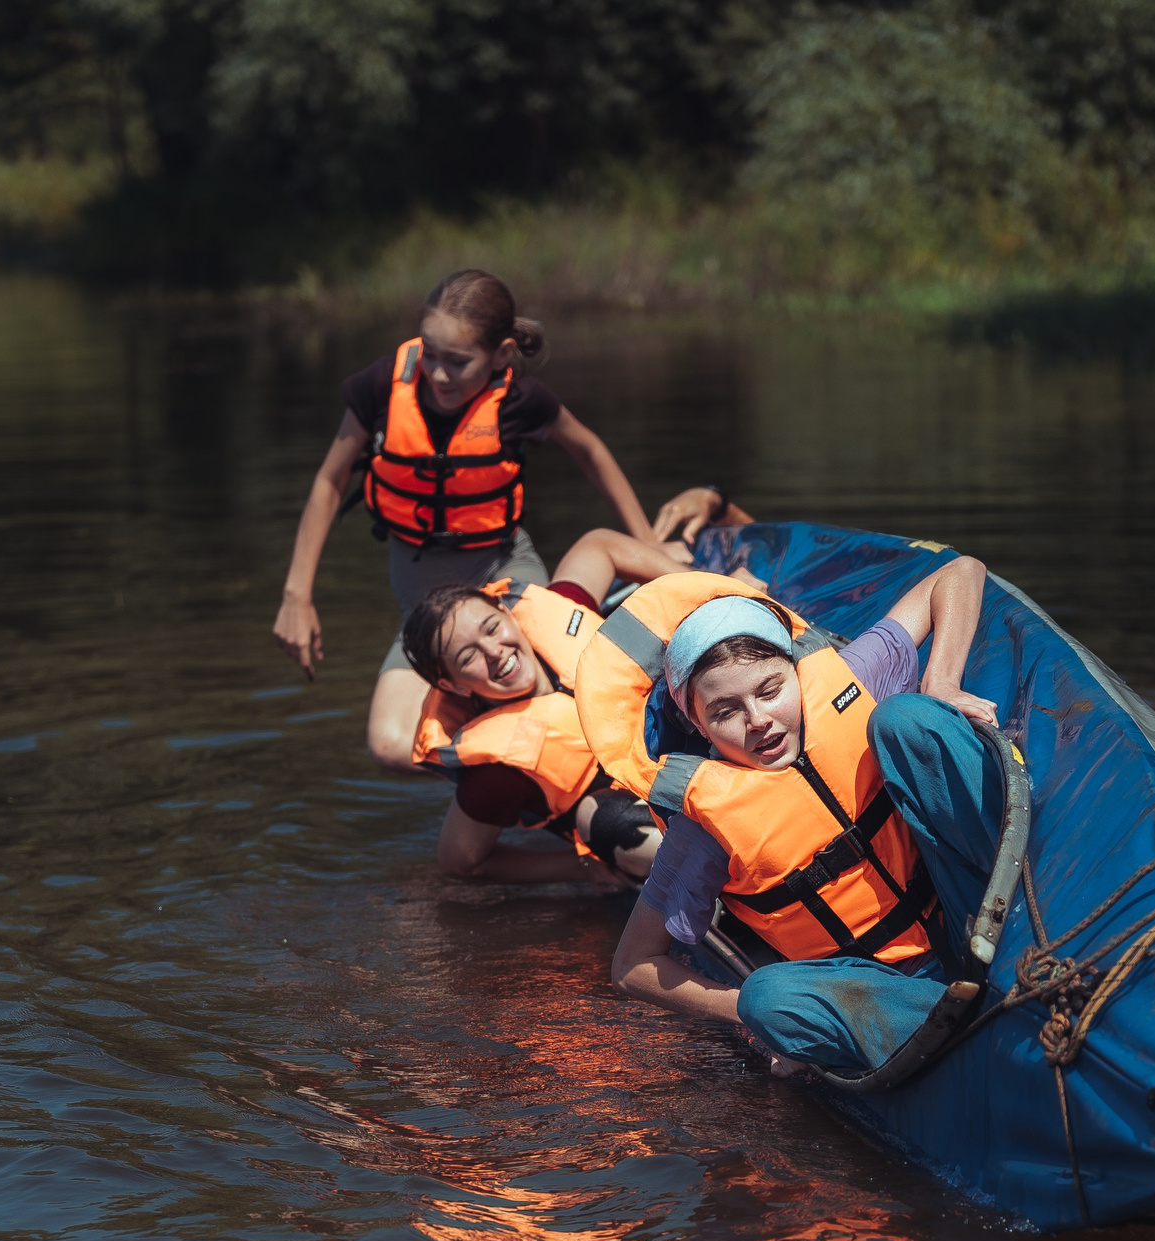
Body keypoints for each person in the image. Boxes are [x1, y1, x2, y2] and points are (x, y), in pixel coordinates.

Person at [585, 556, 1009, 1075]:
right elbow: (632, 968)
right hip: (870, 987)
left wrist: (941, 680)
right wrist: (749, 1020)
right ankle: (957, 1034)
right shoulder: (702, 827)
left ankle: (1025, 919)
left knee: (910, 717)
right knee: (764, 996)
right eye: (725, 712)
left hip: (967, 901)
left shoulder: (850, 679)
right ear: (697, 724)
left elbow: (961, 572)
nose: (758, 721)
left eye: (770, 690)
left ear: (795, 670)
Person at [272, 269, 656, 773]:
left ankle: (581, 775)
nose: (437, 374)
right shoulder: (382, 389)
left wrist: (648, 540)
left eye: (457, 362)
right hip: (421, 600)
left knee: (528, 691)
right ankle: (516, 783)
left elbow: (590, 451)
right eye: (429, 354)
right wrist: (297, 596)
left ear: (500, 355)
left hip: (502, 576)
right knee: (390, 745)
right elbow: (329, 480)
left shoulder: (520, 400)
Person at [399, 526, 718, 887]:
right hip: (645, 817)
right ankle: (724, 888)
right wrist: (580, 869)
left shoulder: (562, 612)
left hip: (702, 743)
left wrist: (706, 587)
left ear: (507, 613)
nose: (494, 652)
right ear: (451, 684)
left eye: (491, 628)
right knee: (605, 820)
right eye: (468, 655)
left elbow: (598, 545)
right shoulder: (496, 773)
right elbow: (460, 861)